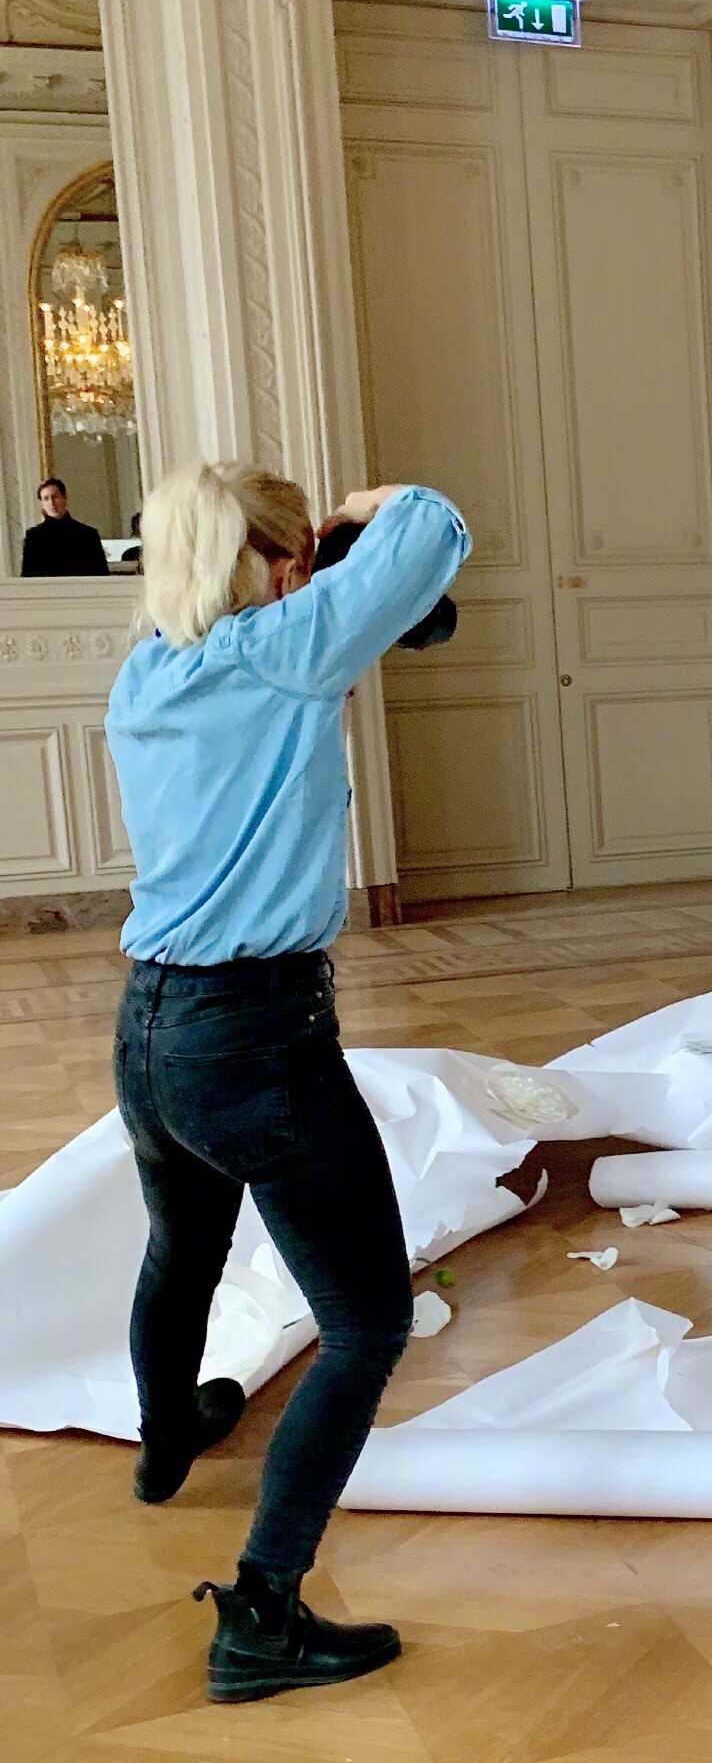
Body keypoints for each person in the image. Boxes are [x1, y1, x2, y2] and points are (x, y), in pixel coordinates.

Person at [105, 463, 470, 1705]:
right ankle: (262, 1615)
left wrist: (314, 555)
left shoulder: (146, 670)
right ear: (266, 561)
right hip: (256, 1036)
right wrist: (370, 503)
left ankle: (166, 1435)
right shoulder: (278, 653)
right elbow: (432, 528)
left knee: (181, 1249)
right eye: (296, 558)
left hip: (150, 1029)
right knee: (366, 1324)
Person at [21, 475, 110, 577]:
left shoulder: (88, 534)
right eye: (46, 499)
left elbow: (101, 574)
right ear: (42, 504)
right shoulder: (33, 537)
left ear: (64, 498)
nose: (51, 503)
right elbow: (28, 576)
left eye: (55, 497)